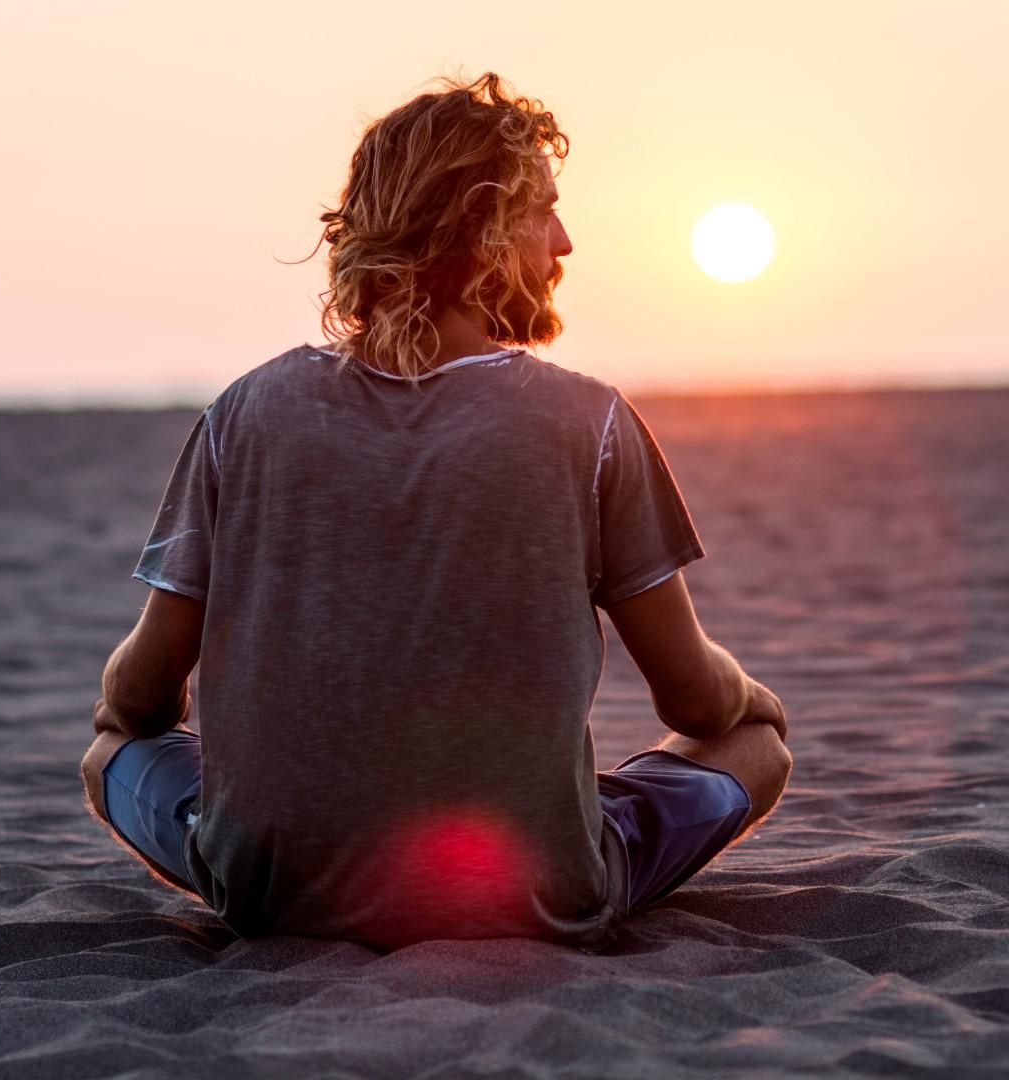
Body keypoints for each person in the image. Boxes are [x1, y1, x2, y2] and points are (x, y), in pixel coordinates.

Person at [79, 72, 791, 952]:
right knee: (753, 744)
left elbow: (141, 698)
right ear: (486, 228)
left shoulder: (245, 413)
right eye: (545, 214)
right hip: (534, 896)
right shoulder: (590, 421)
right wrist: (750, 696)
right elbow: (694, 697)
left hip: (271, 896)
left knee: (110, 755)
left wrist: (134, 707)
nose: (565, 244)